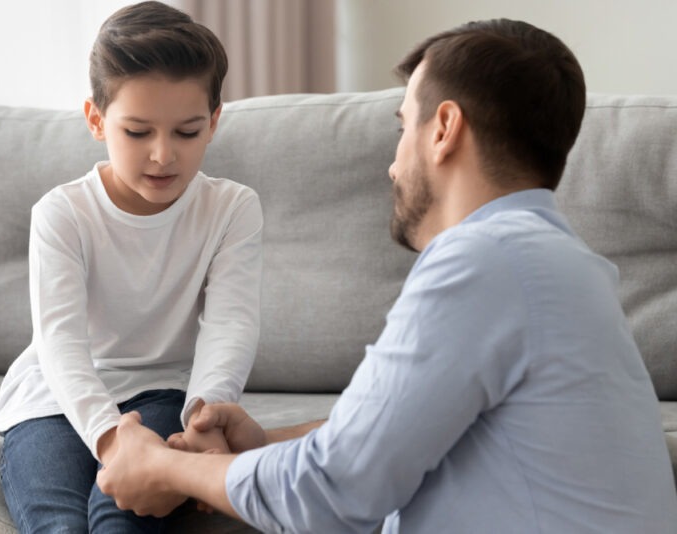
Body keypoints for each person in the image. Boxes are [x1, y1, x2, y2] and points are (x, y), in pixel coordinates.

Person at [96, 18, 677, 533]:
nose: (393, 164)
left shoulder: (483, 262)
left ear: (444, 128)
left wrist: (166, 466)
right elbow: (423, 425)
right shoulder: (560, 263)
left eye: (404, 127)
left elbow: (333, 493)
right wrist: (267, 441)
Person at [0, 1, 263, 531]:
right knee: (58, 524)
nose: (163, 155)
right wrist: (113, 436)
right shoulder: (61, 214)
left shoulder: (232, 208)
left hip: (160, 392)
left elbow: (231, 325)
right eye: (138, 132)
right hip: (51, 399)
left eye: (187, 132)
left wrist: (204, 416)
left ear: (213, 122)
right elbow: (60, 342)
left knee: (124, 521)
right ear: (96, 120)